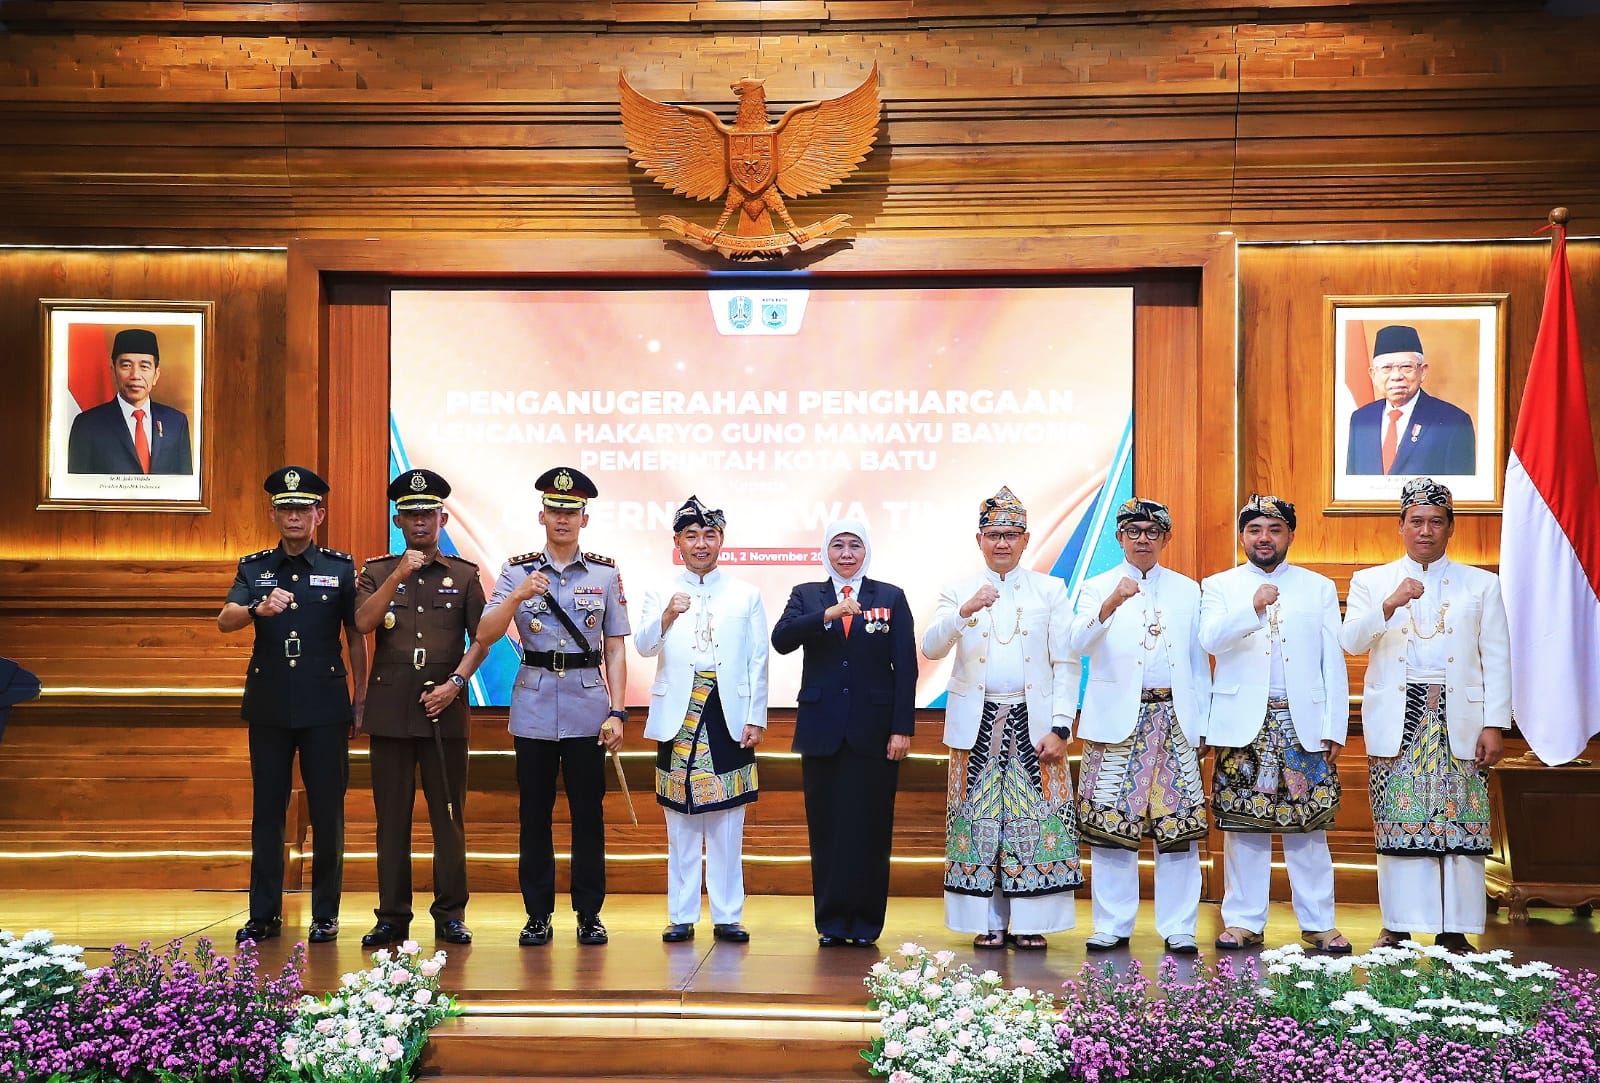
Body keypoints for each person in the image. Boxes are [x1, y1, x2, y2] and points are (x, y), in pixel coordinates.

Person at [1340, 478, 1509, 951]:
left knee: (1460, 822)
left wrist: (1494, 722)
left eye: (1436, 522)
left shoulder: (1482, 583)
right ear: (1401, 526)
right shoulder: (1371, 582)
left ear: (1450, 528)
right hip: (1400, 714)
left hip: (1460, 717)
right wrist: (1390, 603)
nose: (1426, 531)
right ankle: (1396, 925)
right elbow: (1351, 641)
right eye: (1416, 521)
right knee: (1398, 818)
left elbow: (1496, 656)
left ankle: (1454, 930)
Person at [922, 485, 1081, 950]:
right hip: (978, 721)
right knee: (977, 823)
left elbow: (1066, 662)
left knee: (1037, 820)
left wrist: (1061, 725)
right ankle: (987, 921)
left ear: (1027, 539)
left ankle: (1032, 922)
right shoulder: (957, 589)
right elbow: (930, 647)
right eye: (994, 535)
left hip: (1035, 722)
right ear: (979, 540)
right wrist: (964, 613)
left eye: (1012, 534)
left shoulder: (1050, 589)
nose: (1003, 544)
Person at [476, 466, 630, 947]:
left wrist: (619, 711)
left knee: (589, 816)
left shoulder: (605, 572)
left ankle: (589, 914)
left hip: (588, 707)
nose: (563, 519)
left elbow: (617, 647)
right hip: (535, 705)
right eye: (556, 510)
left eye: (572, 511)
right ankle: (538, 914)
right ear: (542, 515)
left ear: (585, 518)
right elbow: (485, 633)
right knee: (534, 815)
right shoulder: (516, 570)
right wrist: (519, 595)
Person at [218, 466, 366, 945]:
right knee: (267, 811)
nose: (294, 516)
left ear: (319, 515)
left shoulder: (341, 568)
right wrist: (255, 609)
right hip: (270, 705)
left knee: (328, 813)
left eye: (303, 508)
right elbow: (225, 620)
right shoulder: (254, 567)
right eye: (286, 508)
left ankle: (326, 913)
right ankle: (263, 913)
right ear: (274, 513)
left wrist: (360, 696)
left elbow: (357, 635)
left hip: (325, 705)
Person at [1200, 495, 1350, 953]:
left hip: (1302, 721)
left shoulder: (1318, 587)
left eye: (1274, 529)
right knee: (1244, 829)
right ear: (1242, 536)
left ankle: (1319, 922)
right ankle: (1244, 921)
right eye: (1254, 530)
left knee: (1309, 829)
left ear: (1290, 535)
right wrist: (1253, 607)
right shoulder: (1220, 585)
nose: (1263, 538)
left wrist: (1335, 725)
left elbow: (1333, 660)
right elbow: (1210, 639)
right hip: (1244, 723)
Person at [1067, 498, 1209, 955]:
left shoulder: (1189, 590)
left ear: (1166, 538)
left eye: (1151, 531)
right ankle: (1112, 923)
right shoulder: (1095, 587)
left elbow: (1196, 659)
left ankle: (1179, 926)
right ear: (1119, 538)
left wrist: (1201, 721)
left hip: (1175, 719)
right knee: (1111, 829)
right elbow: (1076, 644)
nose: (1142, 538)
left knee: (1179, 832)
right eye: (1133, 531)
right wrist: (1110, 603)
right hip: (1116, 723)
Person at [354, 469, 488, 947]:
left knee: (448, 817)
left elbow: (483, 641)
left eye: (427, 514)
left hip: (444, 713)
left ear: (442, 518)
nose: (419, 523)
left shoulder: (464, 575)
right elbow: (364, 622)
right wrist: (398, 575)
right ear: (398, 519)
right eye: (410, 514)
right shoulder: (376, 571)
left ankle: (450, 913)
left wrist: (456, 684)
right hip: (391, 712)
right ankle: (392, 915)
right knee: (392, 819)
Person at [772, 518, 917, 948]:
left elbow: (905, 667)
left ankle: (866, 923)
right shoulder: (806, 596)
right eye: (839, 545)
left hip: (874, 733)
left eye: (855, 545)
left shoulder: (890, 597)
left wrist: (901, 728)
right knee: (828, 829)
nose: (847, 554)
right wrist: (827, 615)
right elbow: (782, 640)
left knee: (871, 829)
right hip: (822, 731)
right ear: (826, 551)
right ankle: (832, 923)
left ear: (866, 550)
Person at [636, 496, 768, 944]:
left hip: (728, 713)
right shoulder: (659, 590)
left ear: (721, 540)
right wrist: (668, 615)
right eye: (691, 536)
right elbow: (644, 647)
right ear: (677, 542)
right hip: (679, 715)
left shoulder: (745, 593)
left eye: (709, 535)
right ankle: (681, 913)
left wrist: (757, 717)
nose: (700, 544)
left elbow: (757, 659)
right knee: (681, 821)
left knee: (729, 822)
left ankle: (729, 915)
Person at [1346, 324, 1475, 476]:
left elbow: (1461, 494)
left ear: (1422, 372)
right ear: (1373, 375)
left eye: (1406, 367)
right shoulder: (1361, 419)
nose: (1396, 376)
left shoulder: (1454, 422)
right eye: (1386, 368)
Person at [66, 328, 193, 475]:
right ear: (113, 371)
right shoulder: (87, 424)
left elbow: (185, 487)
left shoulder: (176, 422)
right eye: (126, 365)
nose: (135, 375)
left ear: (156, 375)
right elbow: (77, 489)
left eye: (144, 366)